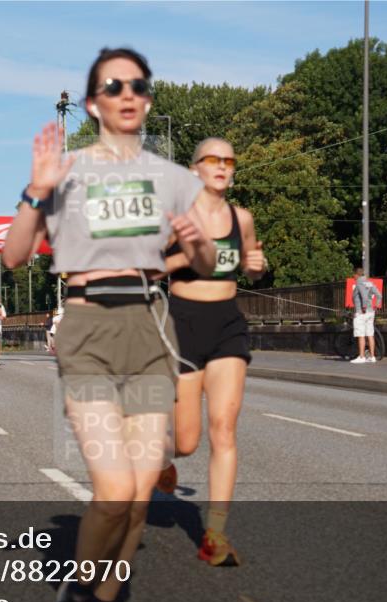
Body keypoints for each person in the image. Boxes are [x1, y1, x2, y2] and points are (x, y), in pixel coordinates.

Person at [3, 47, 214, 602]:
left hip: (149, 330)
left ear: (146, 98)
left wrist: (197, 244)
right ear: (94, 101)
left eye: (138, 85)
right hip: (90, 329)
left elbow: (202, 262)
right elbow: (15, 255)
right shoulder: (64, 173)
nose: (128, 94)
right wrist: (35, 194)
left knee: (143, 491)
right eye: (113, 85)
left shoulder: (173, 178)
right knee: (115, 487)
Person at [158, 137, 267, 567]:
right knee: (187, 440)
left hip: (227, 324)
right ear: (195, 168)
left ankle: (215, 534)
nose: (222, 166)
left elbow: (252, 262)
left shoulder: (242, 218)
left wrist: (256, 267)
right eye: (213, 159)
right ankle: (164, 459)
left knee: (224, 428)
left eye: (229, 160)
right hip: (182, 322)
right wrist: (181, 259)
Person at [352, 266, 382, 364]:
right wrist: (376, 304)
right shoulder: (369, 282)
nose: (353, 276)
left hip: (362, 312)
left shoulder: (359, 282)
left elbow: (364, 296)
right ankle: (372, 356)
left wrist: (363, 307)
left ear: (356, 274)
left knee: (361, 335)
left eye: (353, 274)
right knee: (370, 334)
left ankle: (361, 357)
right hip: (370, 312)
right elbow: (379, 295)